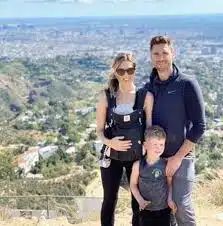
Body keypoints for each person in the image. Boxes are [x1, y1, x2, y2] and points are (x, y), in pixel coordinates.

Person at [144, 35, 206, 226]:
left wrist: (178, 157)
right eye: (156, 53)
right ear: (150, 56)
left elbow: (199, 127)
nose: (160, 57)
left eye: (164, 52)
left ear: (173, 53)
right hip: (156, 160)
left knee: (180, 204)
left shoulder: (187, 84)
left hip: (182, 157)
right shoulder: (148, 88)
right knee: (160, 208)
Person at [96, 52, 154, 226]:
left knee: (137, 200)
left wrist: (148, 150)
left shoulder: (146, 96)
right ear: (115, 72)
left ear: (135, 70)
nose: (126, 75)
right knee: (109, 199)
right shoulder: (105, 97)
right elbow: (99, 131)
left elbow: (149, 129)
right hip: (111, 157)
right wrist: (110, 142)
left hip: (136, 157)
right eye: (121, 71)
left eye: (130, 70)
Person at [130, 125, 177, 226]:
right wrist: (140, 200)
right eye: (155, 144)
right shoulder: (137, 165)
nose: (159, 148)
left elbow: (170, 184)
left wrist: (170, 199)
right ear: (145, 145)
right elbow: (133, 185)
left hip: (164, 211)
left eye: (161, 144)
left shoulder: (166, 164)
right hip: (146, 211)